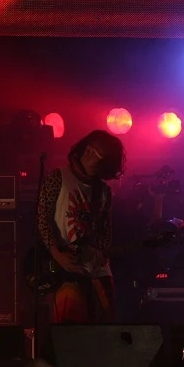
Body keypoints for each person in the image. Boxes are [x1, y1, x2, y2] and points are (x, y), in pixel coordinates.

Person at [37, 129, 125, 323]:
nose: (89, 156)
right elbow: (43, 219)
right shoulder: (58, 177)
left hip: (98, 272)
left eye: (97, 155)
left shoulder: (104, 191)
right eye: (89, 150)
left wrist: (100, 253)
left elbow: (105, 230)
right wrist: (57, 254)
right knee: (70, 327)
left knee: (105, 328)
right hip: (66, 267)